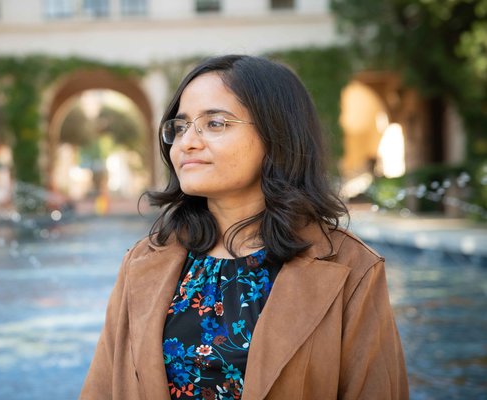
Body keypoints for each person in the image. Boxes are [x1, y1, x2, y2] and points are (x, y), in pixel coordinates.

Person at [80, 55, 408, 400]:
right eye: (180, 126)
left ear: (276, 134)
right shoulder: (142, 262)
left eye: (215, 123)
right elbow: (101, 389)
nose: (187, 142)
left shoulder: (353, 268)